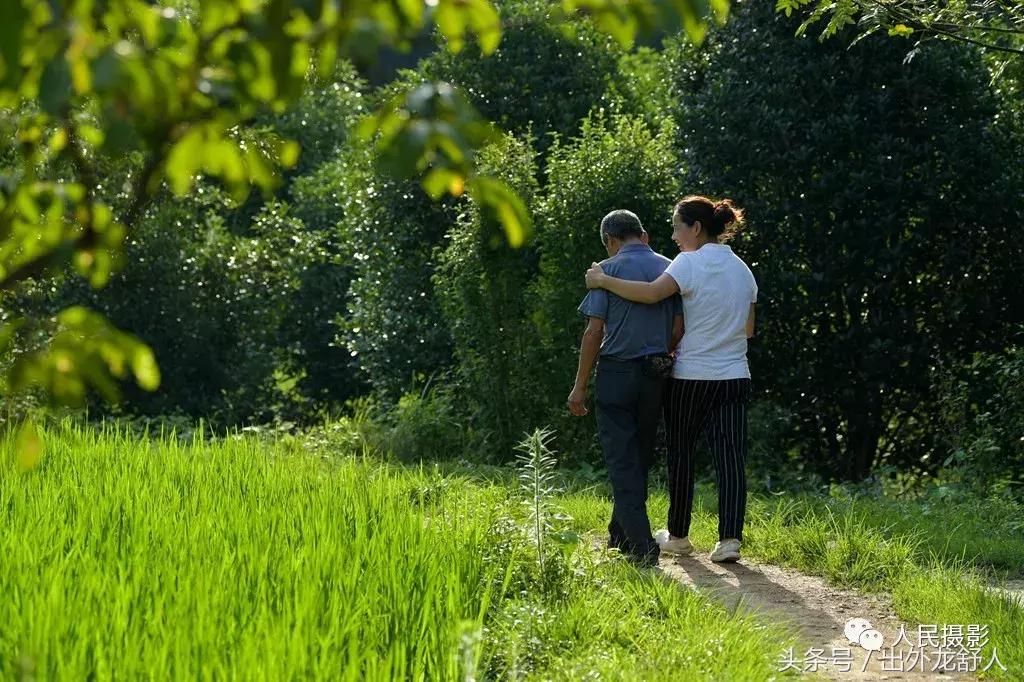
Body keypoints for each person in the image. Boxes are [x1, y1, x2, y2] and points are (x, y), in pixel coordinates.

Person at [584, 196, 756, 563]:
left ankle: (678, 535)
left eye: (677, 227)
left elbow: (649, 295)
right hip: (736, 375)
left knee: (682, 455)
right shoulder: (743, 270)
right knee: (730, 459)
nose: (674, 236)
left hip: (691, 375)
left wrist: (603, 279)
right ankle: (729, 540)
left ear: (695, 228)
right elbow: (749, 328)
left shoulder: (687, 263)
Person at [568, 209, 683, 568]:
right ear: (643, 234)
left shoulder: (606, 271)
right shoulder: (671, 267)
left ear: (610, 241)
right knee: (639, 454)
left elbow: (593, 332)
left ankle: (642, 546)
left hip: (617, 373)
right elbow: (679, 327)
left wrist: (579, 386)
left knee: (621, 460)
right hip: (656, 374)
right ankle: (620, 536)